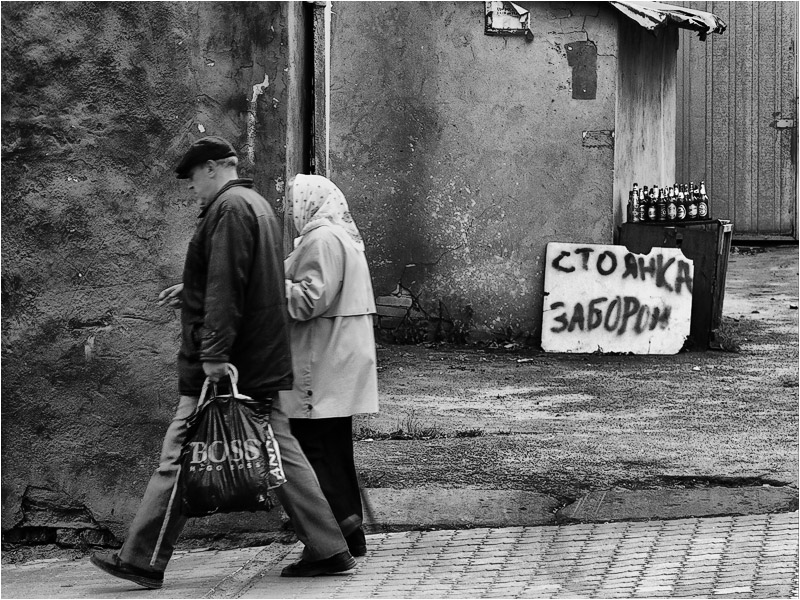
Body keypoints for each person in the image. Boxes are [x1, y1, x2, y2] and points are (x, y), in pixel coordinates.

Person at [90, 136, 357, 589]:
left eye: (194, 177)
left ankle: (141, 559)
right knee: (281, 455)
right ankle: (330, 548)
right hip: (260, 359)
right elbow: (246, 281)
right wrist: (193, 290)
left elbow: (227, 288)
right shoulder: (254, 205)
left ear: (213, 167)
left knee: (180, 453)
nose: (192, 187)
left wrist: (213, 356)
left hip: (232, 364)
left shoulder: (229, 210)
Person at [281, 174, 379, 557]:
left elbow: (309, 300)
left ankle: (329, 542)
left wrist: (269, 284)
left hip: (321, 363)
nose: (289, 210)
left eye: (292, 202)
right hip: (338, 362)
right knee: (333, 452)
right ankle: (349, 534)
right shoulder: (342, 237)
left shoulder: (322, 239)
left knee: (313, 453)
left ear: (309, 203)